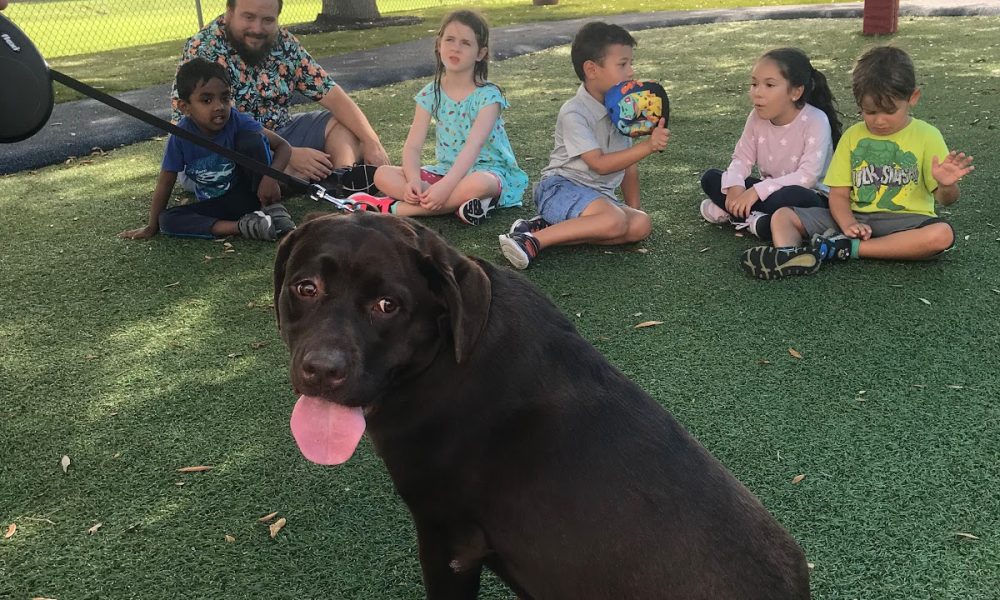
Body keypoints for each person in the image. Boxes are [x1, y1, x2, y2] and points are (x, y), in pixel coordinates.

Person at [740, 46, 974, 280]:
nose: (879, 121)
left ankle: (846, 249)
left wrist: (946, 186)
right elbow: (839, 195)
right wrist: (848, 223)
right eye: (870, 112)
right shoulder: (853, 136)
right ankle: (789, 255)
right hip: (852, 216)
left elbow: (947, 200)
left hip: (905, 222)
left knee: (941, 235)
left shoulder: (928, 135)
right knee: (783, 216)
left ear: (912, 97)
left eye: (889, 111)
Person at [497, 22, 669, 269]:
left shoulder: (624, 111)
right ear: (592, 69)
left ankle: (549, 228)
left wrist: (633, 210)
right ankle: (530, 241)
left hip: (598, 200)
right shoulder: (574, 112)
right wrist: (648, 146)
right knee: (614, 220)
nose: (631, 71)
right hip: (560, 189)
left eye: (631, 63)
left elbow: (628, 165)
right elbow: (598, 164)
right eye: (622, 64)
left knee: (641, 224)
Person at [172, 0, 389, 183]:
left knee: (346, 125)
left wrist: (372, 142)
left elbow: (331, 93)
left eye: (267, 20)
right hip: (219, 148)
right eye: (248, 17)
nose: (257, 29)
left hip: (281, 131)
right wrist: (288, 154)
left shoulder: (284, 43)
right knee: (244, 164)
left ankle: (344, 180)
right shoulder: (203, 49)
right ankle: (298, 175)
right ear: (229, 13)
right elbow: (212, 126)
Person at [362, 10, 527, 225]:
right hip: (445, 171)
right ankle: (460, 205)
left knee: (480, 184)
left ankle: (399, 208)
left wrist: (446, 187)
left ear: (480, 53)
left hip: (487, 171)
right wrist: (413, 181)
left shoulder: (489, 97)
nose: (455, 47)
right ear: (439, 45)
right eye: (450, 39)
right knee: (382, 174)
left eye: (466, 43)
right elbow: (412, 146)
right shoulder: (431, 93)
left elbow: (473, 147)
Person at [120, 58, 294, 241]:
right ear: (185, 107)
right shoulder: (180, 136)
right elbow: (165, 183)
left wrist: (270, 178)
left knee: (252, 140)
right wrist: (151, 226)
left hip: (253, 194)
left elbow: (283, 147)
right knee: (166, 220)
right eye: (207, 100)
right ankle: (244, 226)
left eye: (225, 98)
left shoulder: (237, 120)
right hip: (217, 205)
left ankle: (271, 210)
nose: (219, 106)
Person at [699, 48, 841, 240]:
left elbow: (807, 177)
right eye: (754, 83)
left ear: (796, 92)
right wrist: (735, 186)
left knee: (797, 197)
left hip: (808, 197)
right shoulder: (756, 117)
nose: (757, 92)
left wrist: (756, 192)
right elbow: (742, 158)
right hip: (767, 192)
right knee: (712, 178)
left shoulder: (815, 120)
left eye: (769, 85)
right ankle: (756, 220)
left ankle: (739, 215)